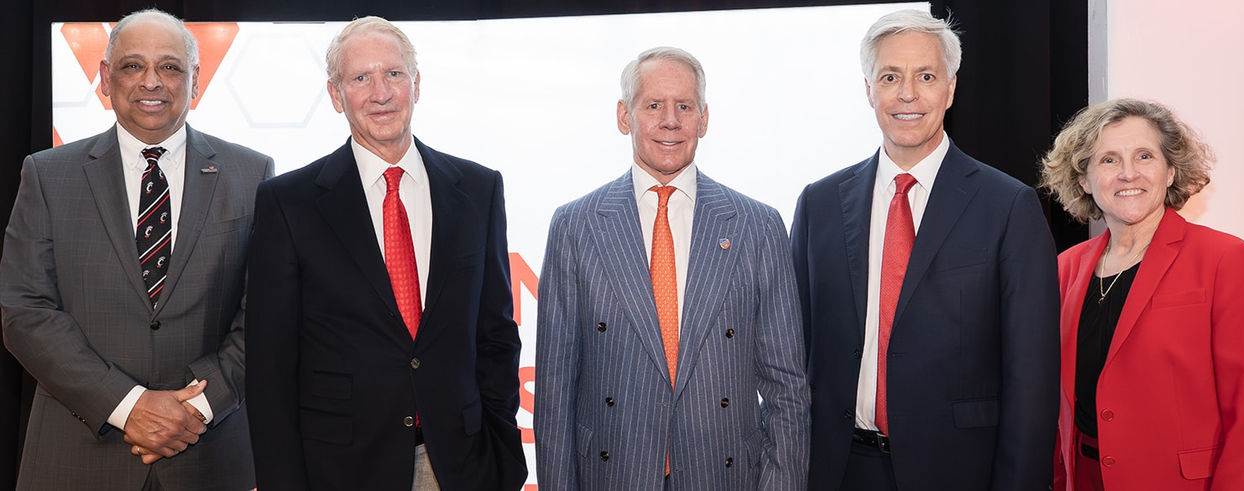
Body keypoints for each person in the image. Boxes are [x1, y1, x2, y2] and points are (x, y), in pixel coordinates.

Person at [245, 16, 526, 491]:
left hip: (463, 464)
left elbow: (496, 334)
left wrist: (502, 456)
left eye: (393, 74)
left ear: (416, 84)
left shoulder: (479, 190)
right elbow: (270, 370)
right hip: (340, 470)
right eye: (361, 78)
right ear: (336, 95)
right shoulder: (288, 203)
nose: (381, 93)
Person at [0, 8, 271, 490]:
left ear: (195, 80)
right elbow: (26, 311)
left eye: (170, 66)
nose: (151, 81)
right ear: (105, 78)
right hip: (77, 457)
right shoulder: (47, 175)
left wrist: (195, 409)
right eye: (132, 66)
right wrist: (128, 406)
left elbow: (267, 313)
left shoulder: (252, 175)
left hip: (208, 456)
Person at [791, 9, 1060, 491]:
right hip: (838, 470)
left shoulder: (1007, 207)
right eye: (890, 77)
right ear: (869, 90)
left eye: (926, 76)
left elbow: (1032, 380)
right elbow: (793, 356)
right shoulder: (819, 205)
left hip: (960, 472)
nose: (907, 94)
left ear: (951, 89)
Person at [534, 46, 809, 490]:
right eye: (653, 106)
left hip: (723, 476)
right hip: (613, 476)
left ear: (704, 118)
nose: (670, 121)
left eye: (684, 106)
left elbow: (786, 390)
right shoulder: (575, 226)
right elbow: (554, 392)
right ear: (624, 116)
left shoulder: (756, 226)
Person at [1041, 98, 1244, 490]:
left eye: (1144, 156)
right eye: (1109, 160)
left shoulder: (1227, 260)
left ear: (1170, 171)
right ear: (1083, 179)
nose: (1128, 173)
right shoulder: (1064, 269)